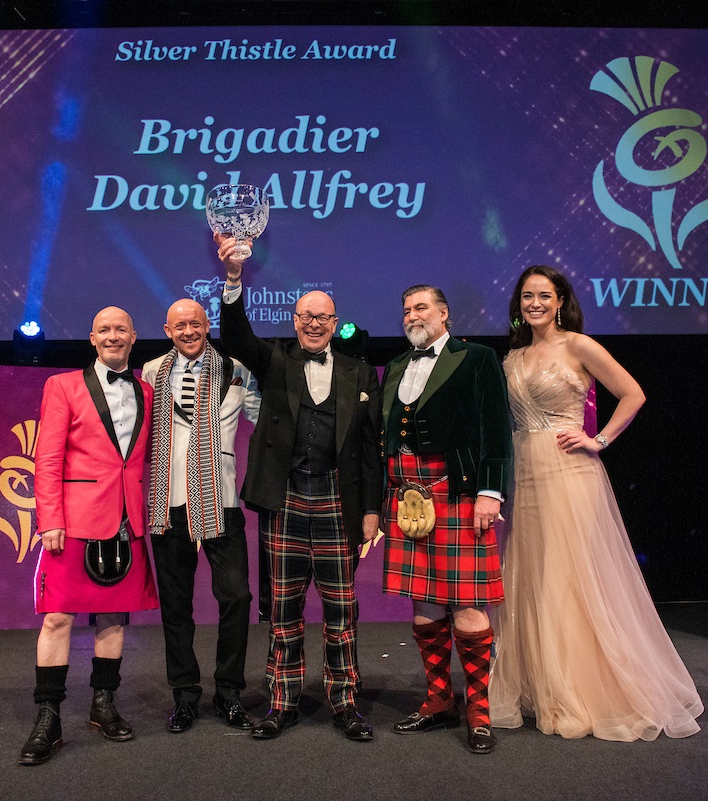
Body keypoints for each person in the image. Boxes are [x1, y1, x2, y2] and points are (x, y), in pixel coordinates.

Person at [490, 265, 703, 741]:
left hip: (570, 472)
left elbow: (633, 393)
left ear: (560, 299)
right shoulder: (514, 355)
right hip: (523, 472)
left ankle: (581, 691)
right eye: (527, 296)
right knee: (533, 574)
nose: (535, 304)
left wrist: (599, 439)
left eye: (544, 295)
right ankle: (542, 685)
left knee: (571, 574)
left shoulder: (578, 345)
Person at [214, 233, 384, 742]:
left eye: (323, 318)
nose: (313, 324)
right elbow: (236, 337)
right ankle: (282, 702)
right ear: (295, 321)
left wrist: (372, 510)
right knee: (283, 609)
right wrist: (234, 280)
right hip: (284, 499)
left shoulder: (360, 371)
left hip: (338, 502)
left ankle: (345, 703)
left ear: (335, 324)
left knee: (341, 611)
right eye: (305, 316)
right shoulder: (275, 360)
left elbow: (371, 447)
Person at [18, 306, 159, 765]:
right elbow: (47, 459)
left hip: (126, 520)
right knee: (57, 618)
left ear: (134, 337)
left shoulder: (147, 390)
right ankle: (48, 717)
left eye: (121, 329)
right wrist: (50, 519)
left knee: (114, 618)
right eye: (104, 330)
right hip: (74, 521)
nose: (113, 336)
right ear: (91, 338)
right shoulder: (61, 386)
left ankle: (104, 705)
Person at [380, 285, 513, 755]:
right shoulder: (396, 366)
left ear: (444, 313)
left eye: (420, 307)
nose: (412, 315)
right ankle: (439, 700)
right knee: (424, 602)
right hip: (406, 495)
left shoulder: (476, 358)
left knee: (469, 603)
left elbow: (496, 428)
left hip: (457, 494)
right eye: (406, 310)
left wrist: (490, 492)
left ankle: (479, 711)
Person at [141, 299, 261, 734]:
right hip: (167, 502)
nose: (188, 331)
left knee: (237, 599)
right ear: (167, 329)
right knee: (176, 606)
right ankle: (186, 696)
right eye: (179, 325)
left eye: (195, 323)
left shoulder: (235, 367)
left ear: (207, 325)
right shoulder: (152, 371)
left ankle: (229, 692)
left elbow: (262, 418)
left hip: (221, 499)